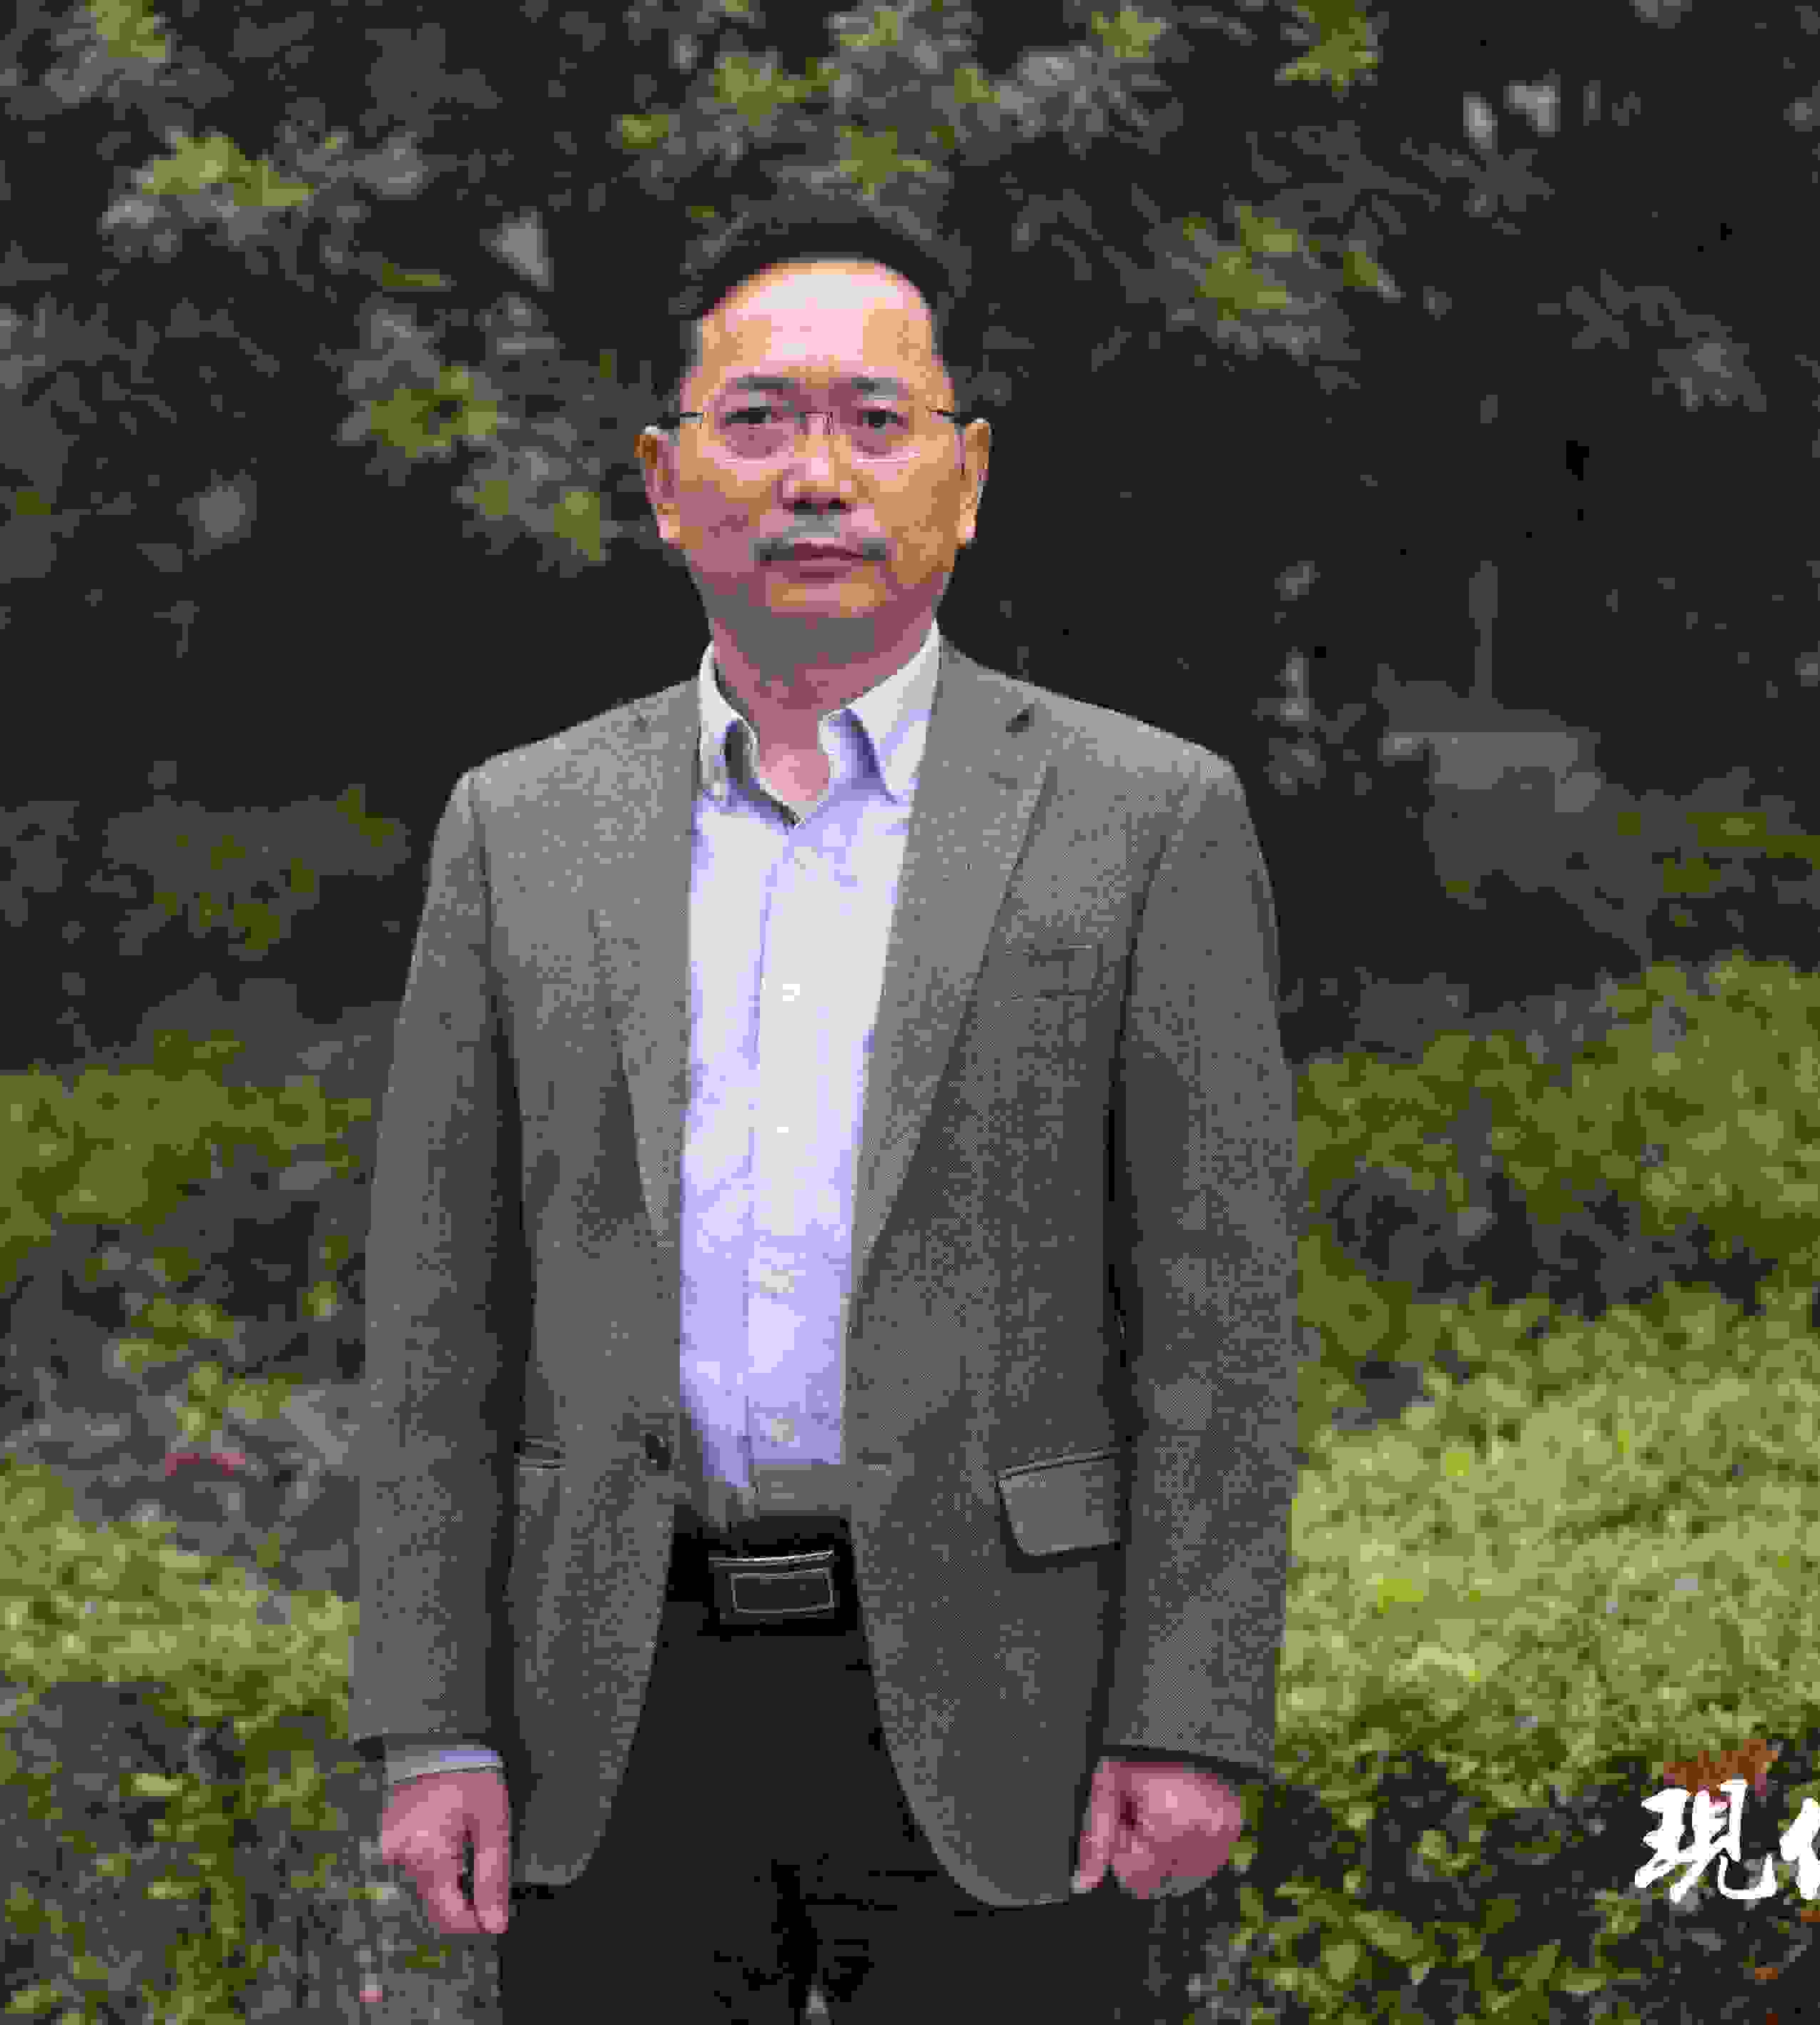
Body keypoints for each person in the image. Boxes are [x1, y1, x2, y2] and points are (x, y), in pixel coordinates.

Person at [351, 190, 1305, 2022]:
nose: (813, 476)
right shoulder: (517, 827)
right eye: (757, 420)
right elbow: (434, 1319)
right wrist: (427, 1722)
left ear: (965, 475)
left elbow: (1216, 1324)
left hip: (1007, 1684)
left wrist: (1187, 1717)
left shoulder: (1141, 821)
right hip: (609, 1686)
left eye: (874, 422)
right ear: (664, 479)